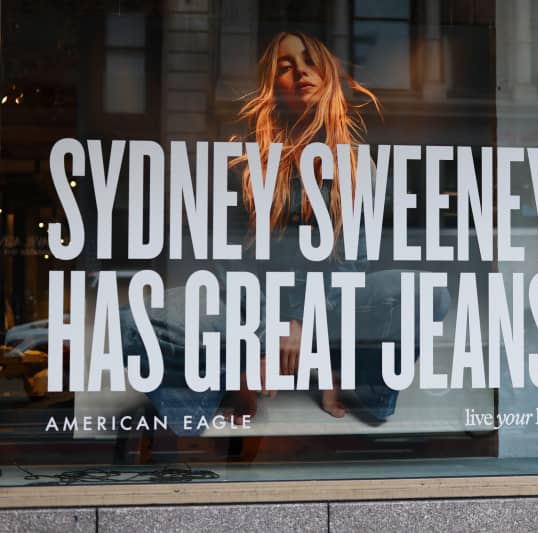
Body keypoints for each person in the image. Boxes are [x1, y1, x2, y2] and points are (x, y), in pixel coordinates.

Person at [120, 32, 450, 435]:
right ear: (273, 86)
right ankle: (223, 384)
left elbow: (352, 264)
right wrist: (261, 336)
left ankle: (349, 377)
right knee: (131, 322)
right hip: (250, 310)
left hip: (329, 310)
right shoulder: (241, 162)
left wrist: (302, 324)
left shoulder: (359, 166)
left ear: (327, 75)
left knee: (429, 294)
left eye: (310, 61)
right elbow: (232, 266)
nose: (301, 72)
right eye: (286, 66)